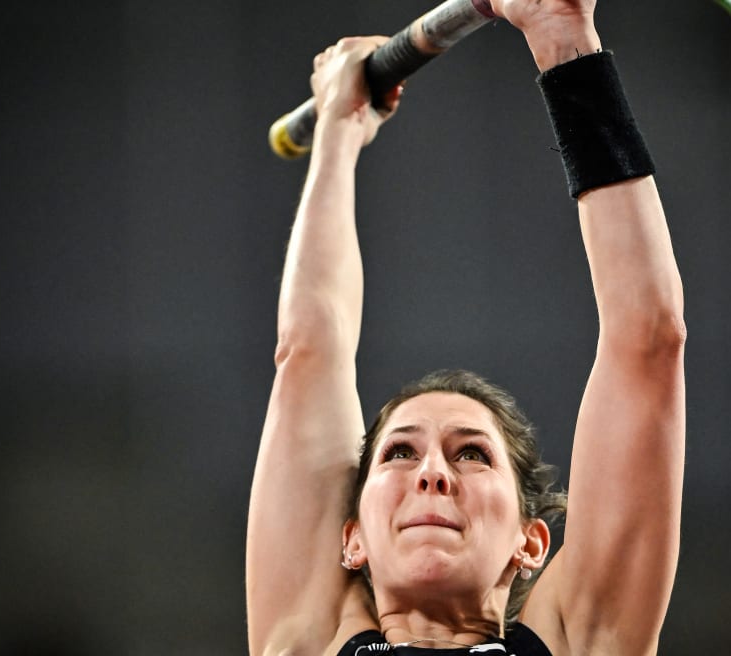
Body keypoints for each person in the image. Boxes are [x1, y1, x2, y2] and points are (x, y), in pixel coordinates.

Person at [246, 0, 686, 653]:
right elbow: (310, 350)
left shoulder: (580, 639)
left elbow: (647, 340)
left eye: (472, 454)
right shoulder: (308, 641)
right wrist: (338, 134)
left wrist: (560, 31)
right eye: (399, 452)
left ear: (529, 542)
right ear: (353, 538)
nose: (432, 474)